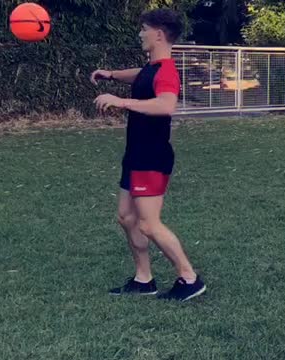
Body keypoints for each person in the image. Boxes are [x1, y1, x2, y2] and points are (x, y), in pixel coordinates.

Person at [90, 8, 206, 301]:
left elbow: (166, 105)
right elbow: (140, 76)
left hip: (151, 156)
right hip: (135, 153)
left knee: (148, 224)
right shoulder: (151, 68)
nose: (140, 34)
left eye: (144, 29)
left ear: (158, 34)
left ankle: (189, 278)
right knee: (126, 217)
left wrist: (121, 102)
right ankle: (144, 280)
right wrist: (111, 75)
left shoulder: (166, 71)